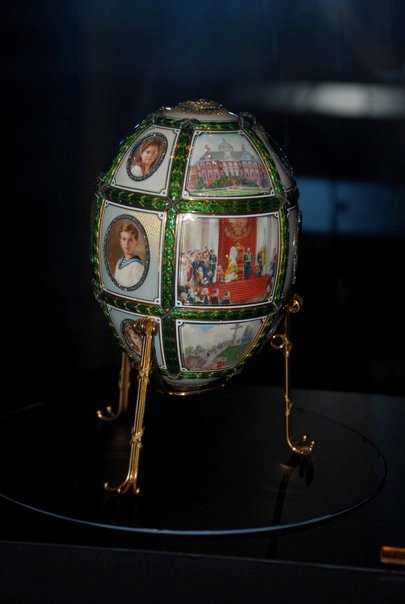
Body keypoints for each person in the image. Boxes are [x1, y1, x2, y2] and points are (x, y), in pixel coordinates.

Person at [114, 222, 144, 288]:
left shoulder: (136, 266)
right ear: (120, 241)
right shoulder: (119, 262)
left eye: (130, 240)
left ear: (136, 243)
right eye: (124, 239)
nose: (126, 243)